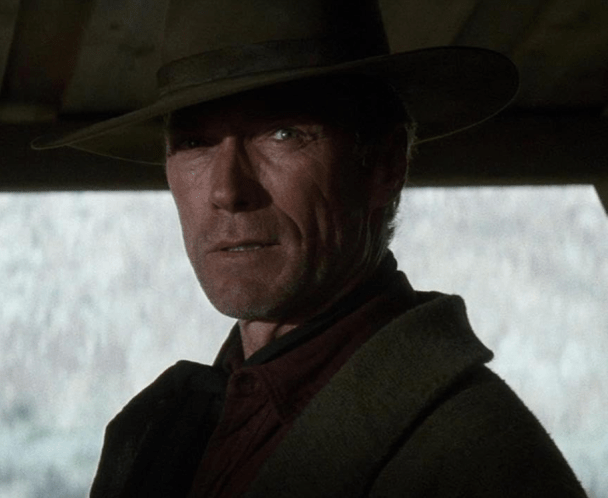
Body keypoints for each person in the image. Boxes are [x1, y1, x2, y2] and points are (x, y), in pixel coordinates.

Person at [34, 0, 588, 496]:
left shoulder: (477, 460)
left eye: (282, 133)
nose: (227, 189)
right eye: (195, 141)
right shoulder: (163, 430)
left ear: (385, 166)